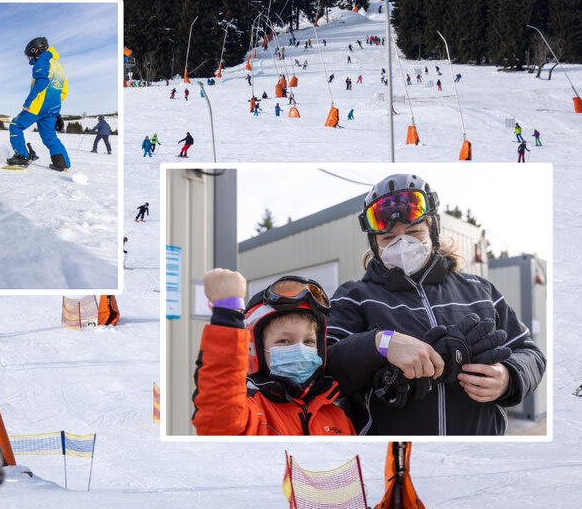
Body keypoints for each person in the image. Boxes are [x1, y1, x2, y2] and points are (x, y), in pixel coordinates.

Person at [325, 173, 546, 435]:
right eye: (387, 238)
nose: (402, 244)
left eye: (413, 231)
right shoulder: (354, 296)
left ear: (433, 230)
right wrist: (379, 343)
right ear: (375, 244)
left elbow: (530, 353)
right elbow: (323, 369)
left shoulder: (479, 289)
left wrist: (509, 377)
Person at [192, 269, 355, 436]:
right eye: (284, 341)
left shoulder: (337, 417)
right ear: (254, 350)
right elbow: (219, 421)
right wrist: (228, 312)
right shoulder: (250, 411)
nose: (300, 349)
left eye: (308, 341)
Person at [7, 37, 70, 171]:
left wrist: (28, 102)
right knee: (49, 136)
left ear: (34, 50)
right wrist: (55, 110)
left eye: (28, 55)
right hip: (52, 108)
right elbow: (64, 90)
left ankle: (22, 157)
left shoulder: (42, 61)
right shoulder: (58, 66)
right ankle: (62, 164)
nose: (28, 59)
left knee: (15, 125)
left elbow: (41, 83)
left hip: (39, 106)